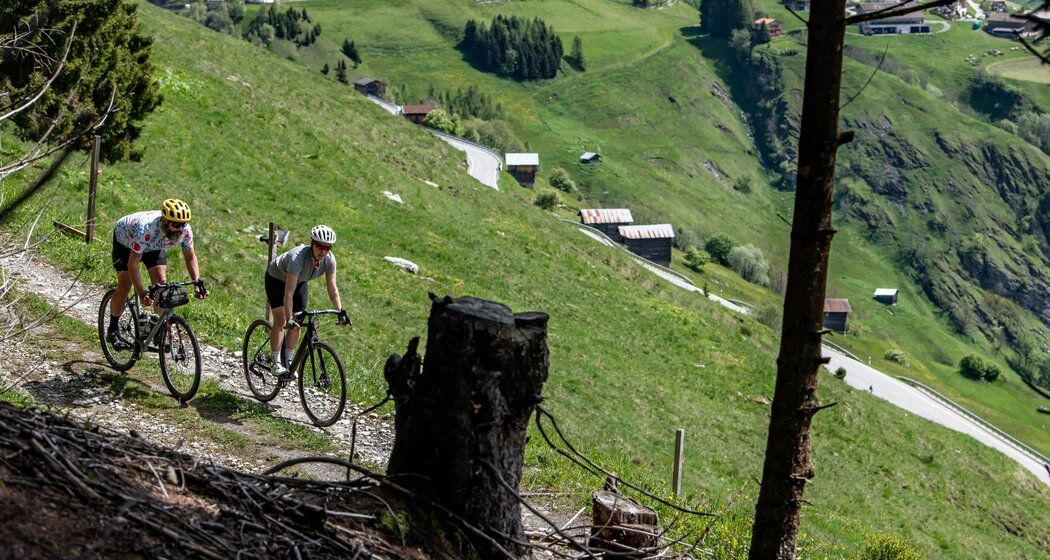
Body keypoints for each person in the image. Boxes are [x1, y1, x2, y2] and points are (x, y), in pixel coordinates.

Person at [106, 198, 208, 345]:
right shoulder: (146, 228)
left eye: (183, 224)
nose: (180, 229)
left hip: (153, 246)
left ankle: (159, 330)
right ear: (165, 221)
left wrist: (197, 284)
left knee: (162, 285)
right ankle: (113, 328)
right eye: (176, 225)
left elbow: (190, 257)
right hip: (126, 243)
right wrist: (141, 293)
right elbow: (133, 264)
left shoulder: (185, 230)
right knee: (125, 285)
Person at [265, 225, 349, 378]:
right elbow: (288, 293)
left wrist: (340, 312)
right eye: (319, 246)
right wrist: (289, 318)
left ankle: (288, 361)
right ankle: (276, 362)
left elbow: (332, 290)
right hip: (277, 280)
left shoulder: (329, 260)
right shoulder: (298, 258)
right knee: (282, 319)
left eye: (327, 247)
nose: (323, 251)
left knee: (298, 324)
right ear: (312, 243)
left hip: (299, 282)